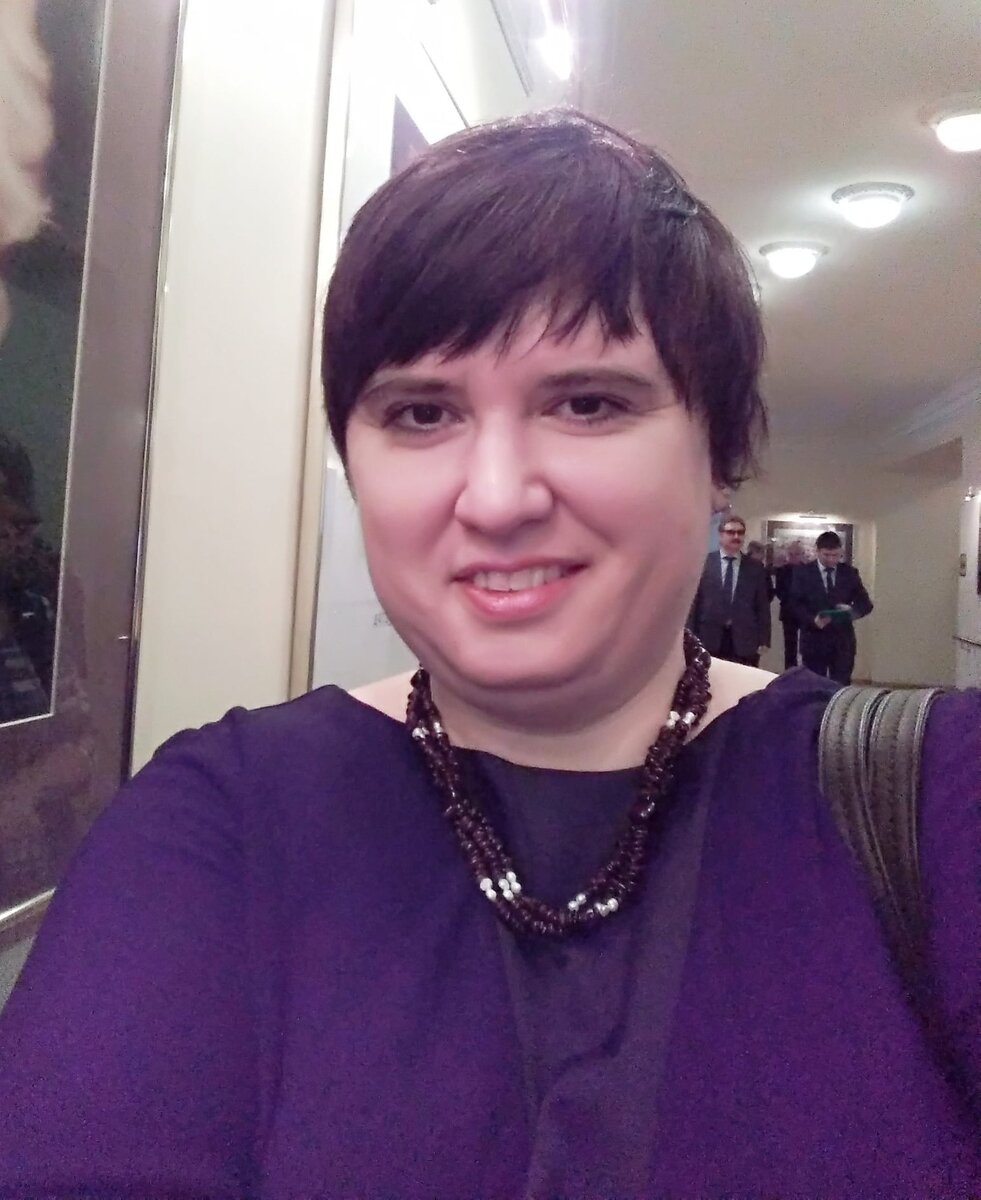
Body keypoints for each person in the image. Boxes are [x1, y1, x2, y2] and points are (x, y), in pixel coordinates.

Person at [0, 111, 977, 1199]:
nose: (499, 497)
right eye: (421, 413)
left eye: (588, 402)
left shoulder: (936, 797)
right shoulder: (221, 821)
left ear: (721, 452)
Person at [791, 530, 873, 685]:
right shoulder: (803, 573)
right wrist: (812, 620)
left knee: (841, 687)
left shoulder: (849, 573)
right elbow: (794, 605)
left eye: (835, 555)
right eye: (826, 555)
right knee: (814, 686)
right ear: (817, 551)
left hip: (842, 641)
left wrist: (851, 611)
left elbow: (866, 604)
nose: (831, 559)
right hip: (814, 639)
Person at [689, 514, 771, 666]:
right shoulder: (704, 563)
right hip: (709, 637)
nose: (736, 536)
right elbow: (694, 603)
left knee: (743, 679)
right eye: (731, 532)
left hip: (745, 639)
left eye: (740, 533)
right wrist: (689, 636)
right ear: (720, 535)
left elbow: (762, 606)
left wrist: (764, 638)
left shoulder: (755, 568)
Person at [773, 537, 806, 670]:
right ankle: (790, 672)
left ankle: (806, 673)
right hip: (788, 612)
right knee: (790, 647)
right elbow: (779, 591)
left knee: (806, 645)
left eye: (796, 554)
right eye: (791, 554)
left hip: (805, 613)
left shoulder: (808, 570)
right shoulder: (782, 570)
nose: (793, 556)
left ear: (802, 554)